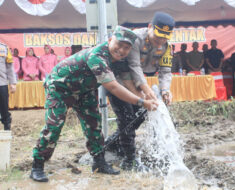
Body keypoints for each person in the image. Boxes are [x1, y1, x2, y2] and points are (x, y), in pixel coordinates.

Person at [30, 26, 158, 182]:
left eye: (126, 48)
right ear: (110, 40)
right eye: (119, 44)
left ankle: (99, 163)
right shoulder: (97, 55)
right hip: (60, 88)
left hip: (85, 90)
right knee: (54, 126)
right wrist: (142, 102)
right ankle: (37, 165)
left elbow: (127, 81)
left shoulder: (120, 60)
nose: (121, 50)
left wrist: (144, 98)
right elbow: (113, 86)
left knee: (94, 125)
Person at [105, 12, 175, 171]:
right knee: (126, 116)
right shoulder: (135, 39)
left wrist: (165, 90)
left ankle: (113, 145)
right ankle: (129, 160)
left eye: (165, 37)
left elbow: (165, 70)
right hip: (118, 79)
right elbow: (134, 65)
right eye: (158, 36)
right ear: (150, 27)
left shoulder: (166, 47)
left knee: (138, 115)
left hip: (135, 81)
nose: (160, 41)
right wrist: (145, 90)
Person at [0, 42, 16, 130]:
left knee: (4, 107)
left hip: (2, 83)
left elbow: (10, 67)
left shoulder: (4, 48)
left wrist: (12, 83)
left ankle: (6, 125)